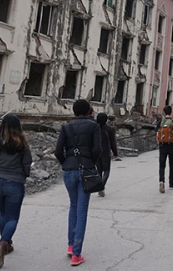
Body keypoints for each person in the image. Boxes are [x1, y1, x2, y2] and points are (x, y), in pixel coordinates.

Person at [54, 99, 102, 267]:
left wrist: (66, 163)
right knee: (82, 210)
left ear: (74, 111)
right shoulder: (94, 126)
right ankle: (76, 254)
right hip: (85, 171)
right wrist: (90, 163)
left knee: (73, 206)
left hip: (68, 171)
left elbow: (58, 151)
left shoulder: (66, 127)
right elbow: (98, 150)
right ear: (89, 110)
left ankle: (70, 245)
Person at [0, 114, 32, 268]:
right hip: (15, 183)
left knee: (3, 214)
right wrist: (23, 175)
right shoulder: (23, 144)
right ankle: (3, 244)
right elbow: (27, 165)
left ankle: (8, 243)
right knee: (12, 218)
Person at [156, 105, 173, 193]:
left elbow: (157, 135)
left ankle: (161, 181)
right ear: (171, 112)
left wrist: (159, 143)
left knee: (162, 165)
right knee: (171, 164)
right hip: (172, 146)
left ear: (164, 112)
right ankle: (171, 184)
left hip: (162, 145)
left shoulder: (160, 122)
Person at [95, 113, 118, 197]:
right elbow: (113, 143)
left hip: (96, 153)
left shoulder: (94, 128)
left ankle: (100, 187)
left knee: (99, 171)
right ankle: (101, 187)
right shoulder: (109, 129)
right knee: (107, 172)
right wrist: (115, 153)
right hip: (105, 153)